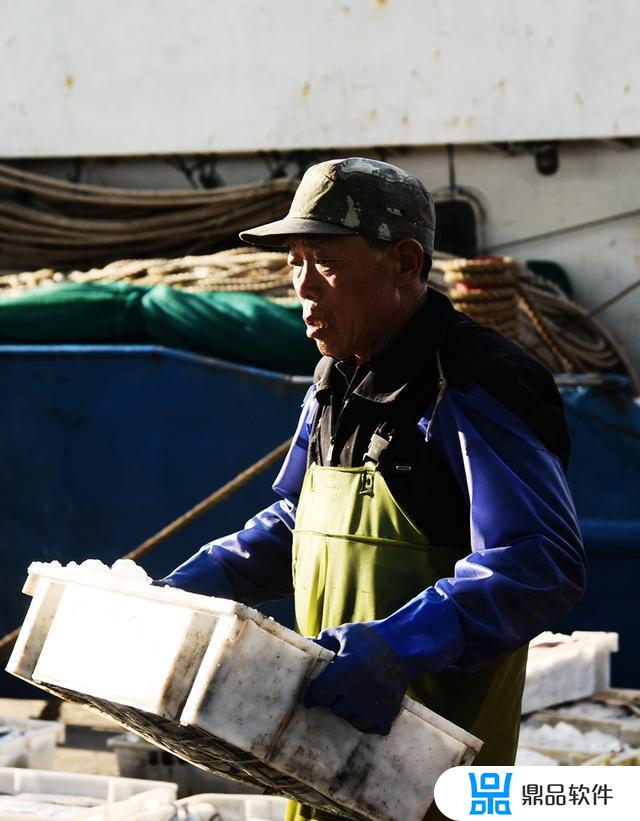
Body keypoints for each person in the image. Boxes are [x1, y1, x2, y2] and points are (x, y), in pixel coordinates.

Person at [156, 158, 587, 821]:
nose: (303, 287)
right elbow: (303, 521)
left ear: (404, 263)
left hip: (435, 783)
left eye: (323, 260)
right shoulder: (334, 376)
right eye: (294, 260)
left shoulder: (475, 381)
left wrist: (401, 644)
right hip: (322, 765)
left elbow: (538, 561)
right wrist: (213, 576)